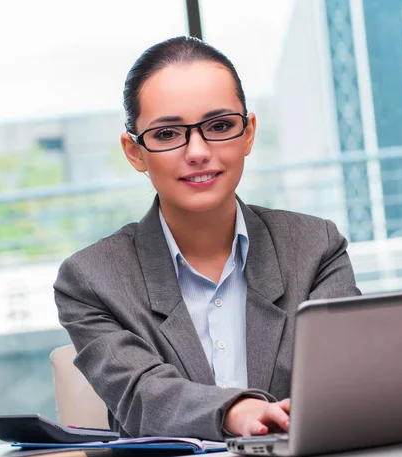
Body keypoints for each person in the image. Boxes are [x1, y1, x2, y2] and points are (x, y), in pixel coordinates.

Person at [53, 36, 361, 441]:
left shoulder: (315, 247)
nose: (197, 152)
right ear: (134, 151)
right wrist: (234, 411)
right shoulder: (91, 280)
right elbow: (143, 396)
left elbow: (345, 380)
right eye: (167, 134)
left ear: (248, 133)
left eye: (219, 126)